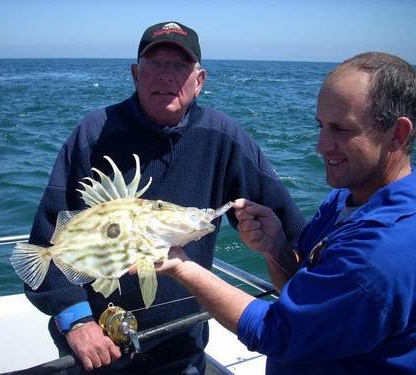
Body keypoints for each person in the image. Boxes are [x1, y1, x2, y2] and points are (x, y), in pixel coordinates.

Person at [24, 21, 306, 375]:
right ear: (135, 75)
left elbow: (286, 224)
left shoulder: (223, 137)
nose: (165, 76)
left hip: (182, 343)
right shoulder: (93, 134)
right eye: (154, 64)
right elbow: (50, 238)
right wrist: (76, 321)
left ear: (199, 80)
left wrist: (284, 253)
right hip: (98, 346)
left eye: (179, 66)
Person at [152, 52, 416, 374]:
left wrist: (182, 266)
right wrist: (276, 248)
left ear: (397, 134)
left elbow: (277, 332)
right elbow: (299, 292)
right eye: (320, 126)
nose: (321, 145)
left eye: (341, 129)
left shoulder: (381, 248)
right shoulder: (344, 200)